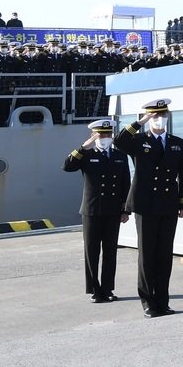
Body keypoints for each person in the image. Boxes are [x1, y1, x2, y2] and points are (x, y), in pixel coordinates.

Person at [116, 98, 183, 317]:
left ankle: (163, 301)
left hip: (168, 203)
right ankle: (148, 301)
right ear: (148, 118)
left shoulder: (178, 143)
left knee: (164, 254)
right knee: (147, 254)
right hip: (145, 203)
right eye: (154, 116)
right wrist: (139, 122)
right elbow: (119, 141)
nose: (159, 119)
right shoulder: (139, 140)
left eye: (162, 115)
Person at [63, 118, 131, 302]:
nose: (104, 137)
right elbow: (67, 166)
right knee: (91, 252)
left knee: (110, 252)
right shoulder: (86, 155)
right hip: (91, 211)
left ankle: (107, 289)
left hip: (113, 211)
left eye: (107, 134)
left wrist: (126, 210)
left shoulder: (119, 156)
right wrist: (83, 147)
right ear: (93, 136)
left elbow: (126, 183)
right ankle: (94, 289)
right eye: (100, 135)